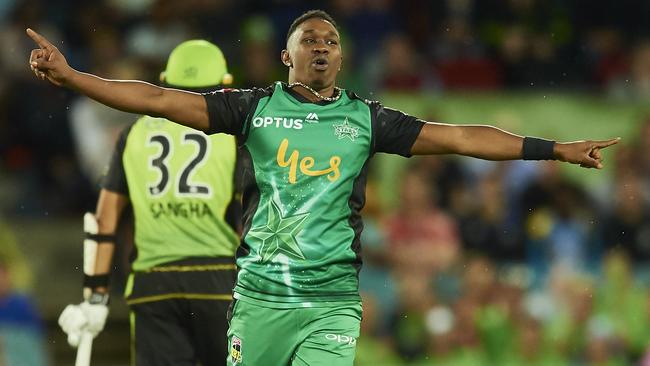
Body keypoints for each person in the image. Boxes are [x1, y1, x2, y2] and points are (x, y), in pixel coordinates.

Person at [27, 9, 619, 366]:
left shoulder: (367, 119)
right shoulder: (251, 108)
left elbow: (461, 134)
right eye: (309, 39)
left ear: (340, 58)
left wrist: (555, 149)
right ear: (285, 54)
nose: (321, 47)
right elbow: (157, 99)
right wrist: (73, 76)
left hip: (329, 302)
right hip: (257, 300)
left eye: (331, 41)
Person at [56, 40, 240, 366]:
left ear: (166, 81)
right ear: (224, 85)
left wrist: (95, 295)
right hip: (219, 281)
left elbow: (104, 218)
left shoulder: (134, 134)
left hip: (153, 282)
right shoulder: (234, 135)